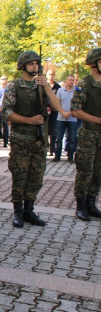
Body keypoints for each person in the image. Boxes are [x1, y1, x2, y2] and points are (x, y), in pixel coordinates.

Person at [2, 51, 60, 228]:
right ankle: (18, 211)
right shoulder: (14, 86)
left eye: (37, 63)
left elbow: (57, 107)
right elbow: (6, 112)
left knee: (36, 176)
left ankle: (29, 209)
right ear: (23, 65)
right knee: (19, 176)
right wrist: (29, 120)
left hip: (39, 141)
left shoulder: (42, 86)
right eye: (31, 63)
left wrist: (48, 88)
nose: (35, 66)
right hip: (21, 140)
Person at [71, 48, 101, 221]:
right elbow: (75, 111)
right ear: (93, 64)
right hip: (89, 134)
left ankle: (91, 203)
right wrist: (97, 120)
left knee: (98, 171)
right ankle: (80, 205)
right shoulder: (84, 84)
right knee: (85, 170)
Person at [53, 75, 77, 163]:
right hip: (61, 118)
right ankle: (57, 156)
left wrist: (69, 113)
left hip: (72, 118)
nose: (71, 81)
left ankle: (70, 157)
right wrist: (63, 113)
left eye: (73, 80)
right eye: (70, 80)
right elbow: (57, 103)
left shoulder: (76, 91)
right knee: (59, 138)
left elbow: (77, 105)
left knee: (71, 138)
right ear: (66, 81)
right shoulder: (60, 90)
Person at [46, 69, 61, 156]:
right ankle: (45, 147)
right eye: (49, 74)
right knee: (44, 130)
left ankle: (52, 149)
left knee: (53, 132)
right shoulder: (43, 85)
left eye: (52, 74)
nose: (51, 76)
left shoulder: (58, 87)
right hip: (44, 111)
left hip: (54, 112)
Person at [0, 75, 9, 148]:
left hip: (6, 110)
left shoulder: (8, 89)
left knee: (6, 127)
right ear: (0, 80)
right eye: (3, 79)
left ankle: (6, 142)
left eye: (6, 79)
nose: (4, 80)